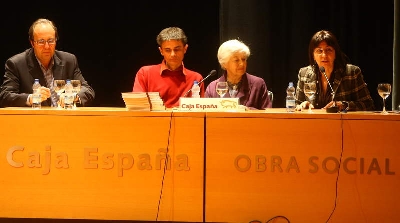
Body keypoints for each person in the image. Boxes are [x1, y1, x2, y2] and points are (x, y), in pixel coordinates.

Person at [0, 18, 95, 108]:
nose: (47, 46)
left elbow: (87, 90)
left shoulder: (69, 61)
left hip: (64, 119)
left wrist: (74, 96)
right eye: (41, 42)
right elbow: (5, 96)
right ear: (32, 43)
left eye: (51, 41)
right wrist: (32, 98)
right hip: (33, 121)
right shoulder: (16, 64)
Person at [295, 30, 374, 112]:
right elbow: (296, 104)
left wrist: (343, 105)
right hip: (313, 123)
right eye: (319, 51)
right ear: (313, 55)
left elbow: (368, 104)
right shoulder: (304, 73)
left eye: (328, 50)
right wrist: (303, 105)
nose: (324, 55)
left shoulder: (352, 72)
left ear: (335, 53)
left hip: (342, 123)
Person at [132, 27, 204, 108]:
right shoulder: (145, 73)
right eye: (167, 50)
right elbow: (138, 108)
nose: (173, 54)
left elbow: (200, 113)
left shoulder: (196, 78)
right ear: (161, 51)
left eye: (177, 49)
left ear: (185, 49)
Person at [205, 39, 271, 110]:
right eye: (236, 60)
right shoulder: (212, 87)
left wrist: (248, 111)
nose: (242, 64)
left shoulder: (258, 84)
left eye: (243, 59)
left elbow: (267, 114)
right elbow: (205, 115)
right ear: (224, 64)